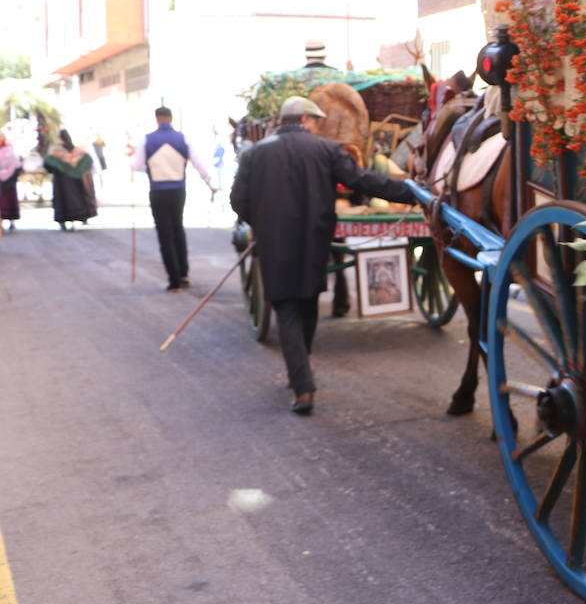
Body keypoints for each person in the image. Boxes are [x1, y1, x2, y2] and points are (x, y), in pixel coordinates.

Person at [230, 96, 415, 414]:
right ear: (305, 121)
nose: (317, 127)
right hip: (314, 238)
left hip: (274, 241)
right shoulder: (327, 150)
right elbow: (360, 180)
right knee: (308, 300)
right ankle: (303, 375)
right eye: (315, 121)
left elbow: (238, 201)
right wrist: (410, 191)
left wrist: (259, 222)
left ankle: (302, 385)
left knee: (286, 308)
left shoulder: (255, 154)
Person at [130, 107, 215, 292]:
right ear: (171, 118)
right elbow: (198, 162)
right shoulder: (183, 138)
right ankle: (184, 273)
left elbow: (136, 165)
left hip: (158, 190)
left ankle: (174, 279)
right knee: (178, 228)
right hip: (178, 190)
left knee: (164, 234)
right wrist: (209, 182)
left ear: (157, 119)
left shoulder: (147, 139)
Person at [43, 129, 98, 230]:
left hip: (60, 181)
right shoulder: (75, 150)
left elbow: (48, 165)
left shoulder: (55, 151)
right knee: (75, 198)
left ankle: (63, 222)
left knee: (62, 200)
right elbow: (87, 162)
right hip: (75, 181)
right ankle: (77, 219)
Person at [0, 130, 20, 232]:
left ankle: (12, 221)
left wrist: (7, 174)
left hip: (9, 179)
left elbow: (14, 163)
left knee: (8, 200)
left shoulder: (9, 150)